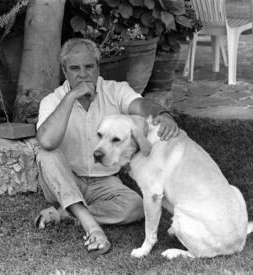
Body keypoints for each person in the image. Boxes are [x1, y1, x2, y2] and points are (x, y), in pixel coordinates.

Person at [34, 38, 178, 255]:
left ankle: (65, 213)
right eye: (75, 68)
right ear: (64, 71)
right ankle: (91, 227)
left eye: (89, 67)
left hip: (105, 182)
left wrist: (161, 113)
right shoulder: (52, 100)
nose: (82, 74)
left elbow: (139, 105)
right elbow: (46, 141)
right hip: (65, 179)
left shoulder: (115, 90)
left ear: (98, 67)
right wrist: (72, 95)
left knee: (137, 206)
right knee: (46, 154)